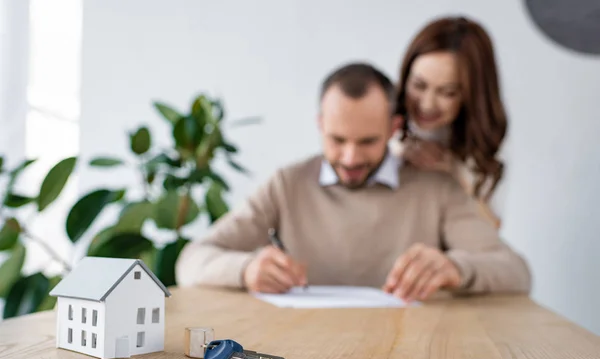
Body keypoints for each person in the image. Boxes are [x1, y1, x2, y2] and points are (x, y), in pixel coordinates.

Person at [175, 63, 531, 302]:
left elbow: (516, 272)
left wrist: (456, 268)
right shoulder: (289, 184)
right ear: (319, 124)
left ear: (393, 129)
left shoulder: (436, 190)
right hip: (303, 356)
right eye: (336, 140)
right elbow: (191, 260)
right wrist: (247, 269)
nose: (349, 158)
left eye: (367, 142)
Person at [390, 16, 507, 229]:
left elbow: (492, 233)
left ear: (472, 94)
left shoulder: (485, 140)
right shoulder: (384, 120)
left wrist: (455, 177)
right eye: (419, 85)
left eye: (448, 92)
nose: (427, 105)